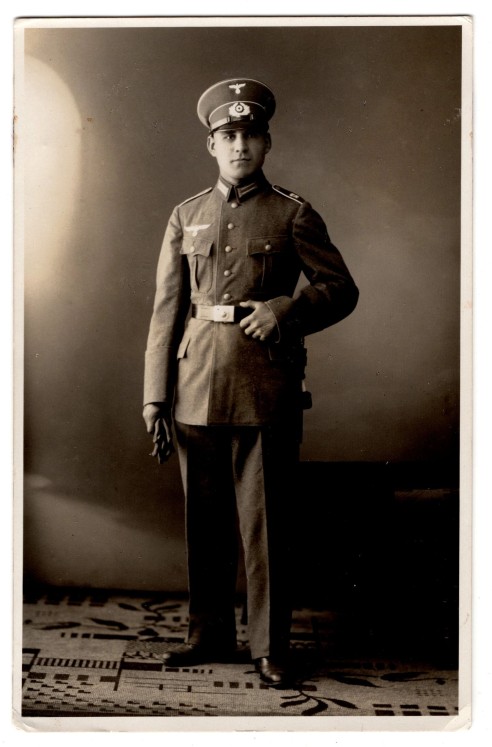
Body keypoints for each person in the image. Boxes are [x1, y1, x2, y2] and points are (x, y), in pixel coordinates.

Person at [143, 78, 359, 687]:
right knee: (203, 524)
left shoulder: (293, 212)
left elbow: (341, 289)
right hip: (194, 383)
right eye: (227, 136)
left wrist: (284, 310)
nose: (239, 145)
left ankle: (270, 647)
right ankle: (207, 635)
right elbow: (167, 310)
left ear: (267, 143)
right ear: (212, 146)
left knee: (265, 526)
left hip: (265, 385)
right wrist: (155, 395)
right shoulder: (186, 215)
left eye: (249, 135)